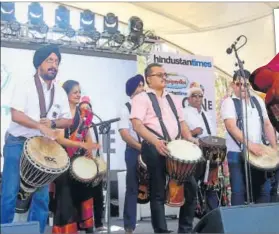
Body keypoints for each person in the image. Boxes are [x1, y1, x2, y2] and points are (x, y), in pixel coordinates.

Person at [0, 45, 72, 233]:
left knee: (42, 198)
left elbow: (68, 120)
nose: (54, 65)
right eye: (49, 60)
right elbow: (16, 115)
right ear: (38, 63)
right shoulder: (25, 85)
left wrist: (53, 124)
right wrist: (40, 126)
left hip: (42, 147)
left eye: (56, 61)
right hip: (18, 143)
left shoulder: (60, 92)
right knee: (9, 194)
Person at [130, 63, 199, 233]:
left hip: (174, 147)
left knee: (191, 188)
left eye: (164, 74)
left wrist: (190, 138)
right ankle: (161, 230)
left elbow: (182, 123)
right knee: (158, 190)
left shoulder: (173, 98)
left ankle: (185, 229)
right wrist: (155, 141)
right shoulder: (141, 98)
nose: (164, 77)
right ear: (148, 79)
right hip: (153, 146)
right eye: (159, 74)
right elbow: (137, 125)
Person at [221, 69, 277, 206]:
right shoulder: (229, 102)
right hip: (237, 153)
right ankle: (238, 225)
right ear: (233, 85)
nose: (242, 87)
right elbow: (231, 127)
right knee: (238, 191)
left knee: (264, 190)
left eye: (245, 84)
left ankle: (261, 224)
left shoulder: (258, 100)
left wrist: (274, 147)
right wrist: (250, 145)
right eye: (238, 84)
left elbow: (267, 124)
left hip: (258, 152)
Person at [51, 81, 100, 234]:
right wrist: (81, 145)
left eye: (79, 92)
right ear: (66, 94)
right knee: (66, 198)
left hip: (80, 161)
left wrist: (89, 148)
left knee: (85, 195)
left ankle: (88, 228)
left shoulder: (83, 114)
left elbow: (88, 135)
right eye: (74, 92)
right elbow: (59, 139)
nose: (78, 94)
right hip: (63, 160)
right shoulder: (60, 114)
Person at [183, 83, 220, 212]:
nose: (198, 98)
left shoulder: (206, 114)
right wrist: (194, 132)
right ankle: (195, 211)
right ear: (188, 99)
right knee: (195, 184)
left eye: (200, 96)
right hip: (195, 152)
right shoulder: (184, 113)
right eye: (194, 96)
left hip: (212, 152)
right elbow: (180, 134)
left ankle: (212, 213)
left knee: (211, 184)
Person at [118, 75, 145, 234]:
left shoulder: (147, 107)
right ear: (132, 89)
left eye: (143, 85)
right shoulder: (125, 108)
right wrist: (139, 146)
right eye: (139, 85)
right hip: (134, 151)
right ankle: (129, 227)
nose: (142, 88)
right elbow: (124, 134)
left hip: (149, 149)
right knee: (133, 187)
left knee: (156, 186)